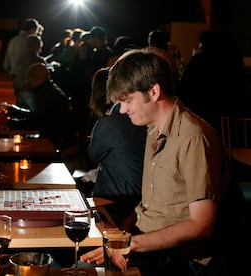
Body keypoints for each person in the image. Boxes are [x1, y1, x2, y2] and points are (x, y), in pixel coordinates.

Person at [80, 48, 235, 276]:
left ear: (153, 91)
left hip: (181, 261)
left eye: (127, 100)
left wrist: (131, 244)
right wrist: (121, 235)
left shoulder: (193, 138)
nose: (122, 110)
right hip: (146, 245)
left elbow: (201, 225)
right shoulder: (153, 129)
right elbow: (152, 205)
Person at [79, 67, 147, 228]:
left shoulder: (111, 123)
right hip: (142, 199)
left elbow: (92, 157)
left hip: (117, 202)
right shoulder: (146, 120)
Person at [16, 62, 75, 150]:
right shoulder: (51, 88)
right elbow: (36, 114)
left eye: (27, 78)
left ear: (32, 78)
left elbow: (35, 121)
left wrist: (11, 123)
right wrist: (14, 110)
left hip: (54, 141)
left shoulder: (43, 93)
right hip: (61, 138)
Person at [3, 17, 43, 95]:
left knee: (19, 103)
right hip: (28, 80)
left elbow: (6, 65)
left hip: (15, 79)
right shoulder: (31, 41)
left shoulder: (12, 41)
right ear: (32, 29)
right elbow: (35, 61)